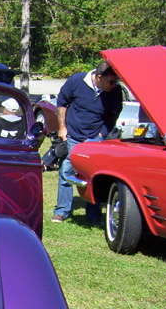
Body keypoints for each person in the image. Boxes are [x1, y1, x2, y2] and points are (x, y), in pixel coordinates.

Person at [52, 61, 122, 223]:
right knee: (66, 171)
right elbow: (62, 103)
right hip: (74, 136)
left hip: (95, 139)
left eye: (116, 81)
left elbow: (113, 114)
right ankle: (62, 211)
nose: (114, 85)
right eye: (111, 81)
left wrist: (101, 134)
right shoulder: (76, 81)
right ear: (99, 77)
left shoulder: (114, 92)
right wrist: (62, 128)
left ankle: (93, 213)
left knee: (93, 176)